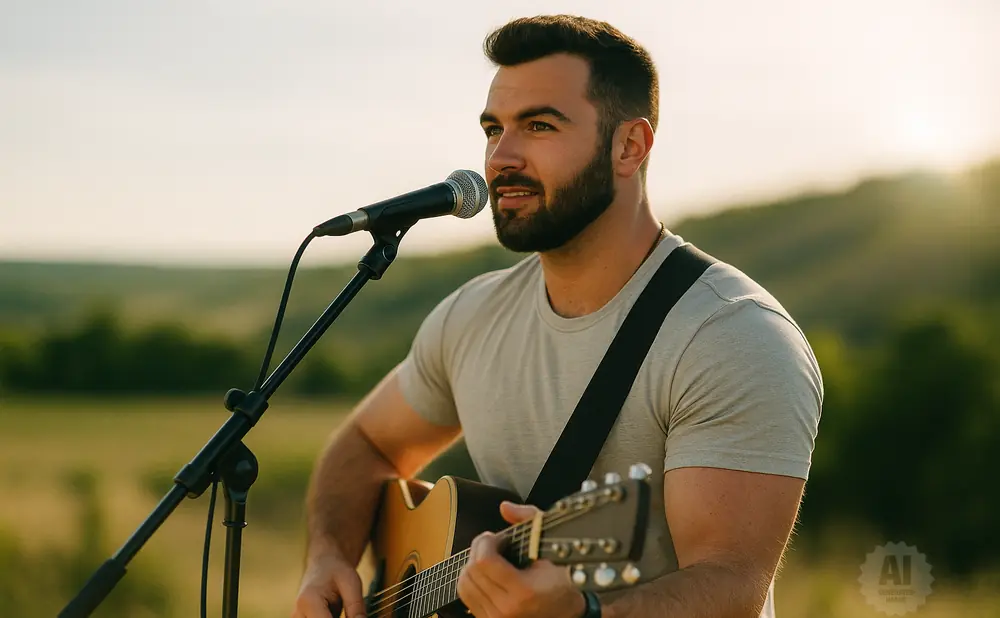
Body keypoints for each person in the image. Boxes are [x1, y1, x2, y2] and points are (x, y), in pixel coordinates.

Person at [292, 14, 822, 618]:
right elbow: (365, 443)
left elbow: (732, 584)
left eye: (539, 125)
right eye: (493, 129)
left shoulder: (731, 335)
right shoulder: (472, 315)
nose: (501, 157)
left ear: (631, 146)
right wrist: (328, 557)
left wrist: (583, 616)